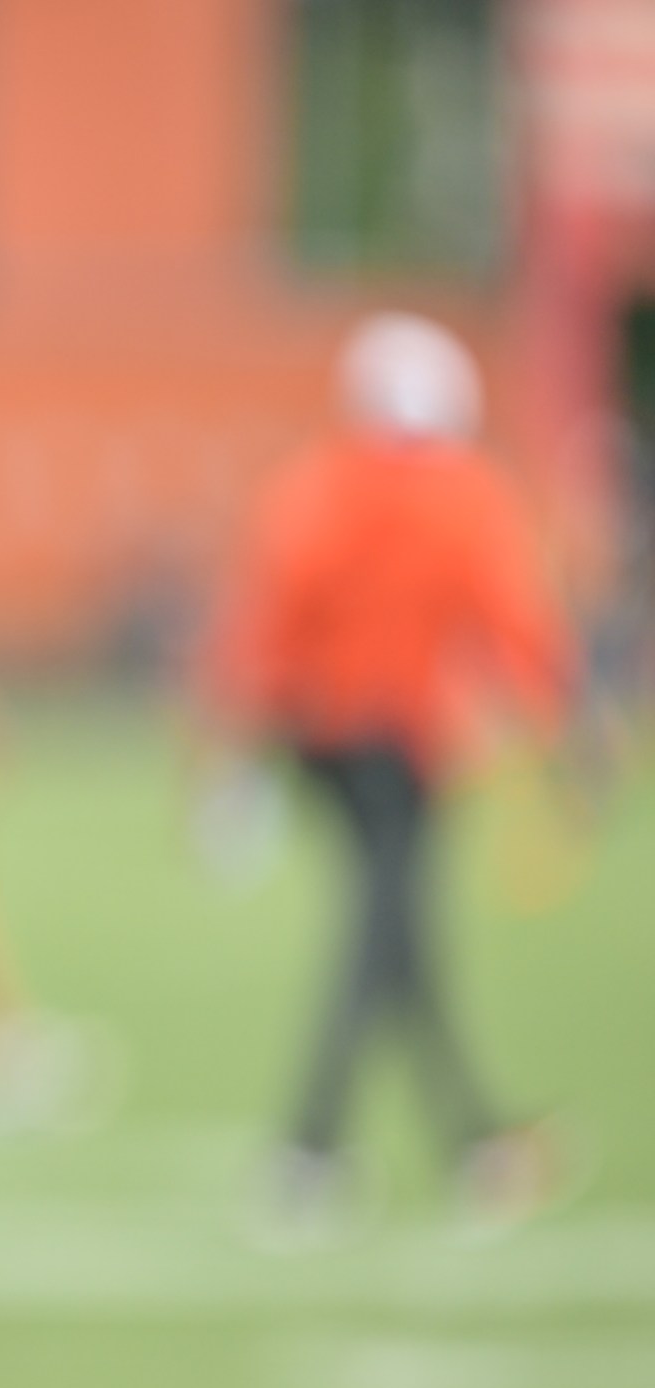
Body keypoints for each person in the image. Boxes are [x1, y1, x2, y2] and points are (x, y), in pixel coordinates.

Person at [204, 311, 575, 1231]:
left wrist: (239, 755)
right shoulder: (465, 491)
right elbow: (516, 619)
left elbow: (265, 626)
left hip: (324, 740)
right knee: (383, 935)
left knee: (399, 935)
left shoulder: (313, 486)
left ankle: (473, 1141)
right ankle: (312, 1147)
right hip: (407, 747)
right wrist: (558, 730)